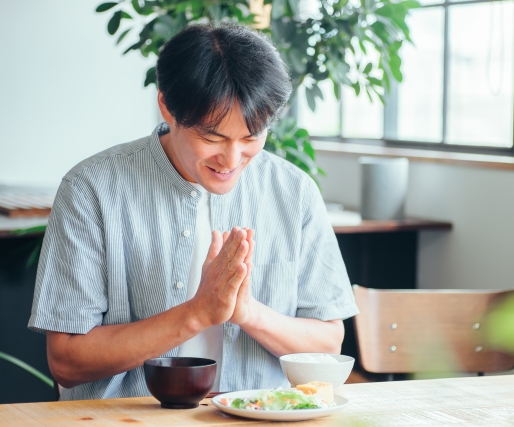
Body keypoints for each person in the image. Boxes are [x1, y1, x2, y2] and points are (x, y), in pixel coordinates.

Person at [28, 23, 358, 400]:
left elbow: (328, 345)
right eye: (211, 137)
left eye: (251, 138)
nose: (232, 160)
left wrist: (247, 312)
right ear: (167, 106)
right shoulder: (91, 189)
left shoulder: (294, 192)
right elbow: (68, 362)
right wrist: (197, 313)